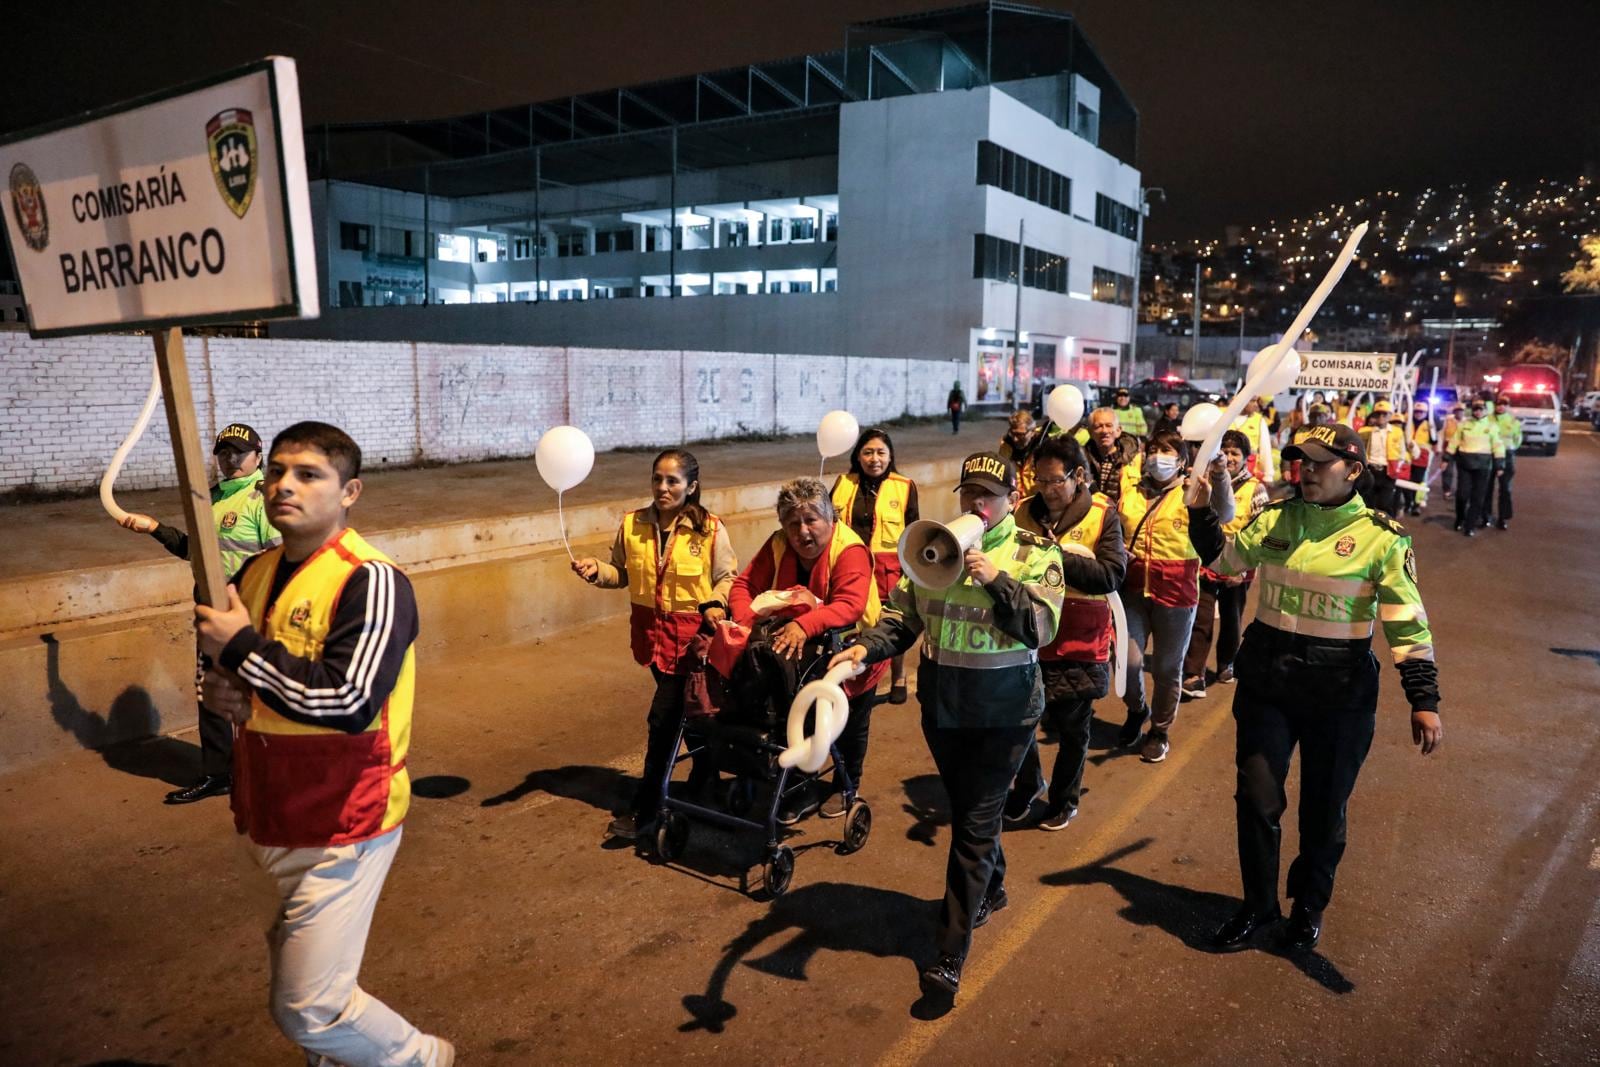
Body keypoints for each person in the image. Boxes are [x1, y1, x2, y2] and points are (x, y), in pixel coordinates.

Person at [193, 421, 453, 1066]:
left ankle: (421, 1060)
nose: (285, 484)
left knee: (308, 1007)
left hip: (343, 824)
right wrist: (220, 692)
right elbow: (235, 679)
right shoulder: (251, 573)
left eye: (309, 474)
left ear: (349, 492)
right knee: (308, 984)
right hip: (263, 814)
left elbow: (347, 700)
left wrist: (241, 652)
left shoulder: (375, 581)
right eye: (278, 471)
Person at [1187, 421, 1441, 953]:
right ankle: (1257, 908)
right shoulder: (1275, 519)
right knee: (1256, 801)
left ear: (1353, 470)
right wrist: (1199, 512)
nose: (1305, 472)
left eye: (1319, 463)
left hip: (1339, 694)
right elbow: (1222, 561)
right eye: (1300, 461)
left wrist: (1423, 699)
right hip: (1267, 684)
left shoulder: (1383, 539)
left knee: (1323, 811)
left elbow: (1406, 622)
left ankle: (1307, 906)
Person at [831, 452, 1063, 1000]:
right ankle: (994, 887)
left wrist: (997, 580)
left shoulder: (1034, 552)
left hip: (1005, 715)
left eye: (988, 495)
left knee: (974, 827)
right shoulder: (932, 548)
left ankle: (948, 955)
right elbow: (902, 617)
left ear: (1011, 498)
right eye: (968, 494)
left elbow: (1039, 630)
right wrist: (864, 649)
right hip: (944, 711)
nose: (977, 504)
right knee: (968, 814)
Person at [573, 449, 737, 839]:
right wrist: (598, 571)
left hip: (693, 643)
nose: (662, 488)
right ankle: (707, 774)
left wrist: (716, 602)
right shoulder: (631, 524)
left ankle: (646, 809)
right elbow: (622, 574)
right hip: (651, 640)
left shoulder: (710, 529)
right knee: (690, 714)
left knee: (663, 721)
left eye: (673, 481)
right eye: (657, 480)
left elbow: (728, 577)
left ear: (691, 486)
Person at [120, 422, 280, 804]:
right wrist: (156, 529)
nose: (230, 459)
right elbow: (195, 550)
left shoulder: (263, 499)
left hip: (251, 616)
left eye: (239, 452)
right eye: (223, 453)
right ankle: (219, 774)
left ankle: (277, 774)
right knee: (213, 697)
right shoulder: (209, 499)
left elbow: (283, 562)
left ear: (259, 455)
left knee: (264, 698)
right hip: (213, 614)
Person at [731, 478, 887, 822]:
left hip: (857, 648)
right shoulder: (778, 544)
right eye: (792, 522)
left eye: (811, 519)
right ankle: (800, 783)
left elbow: (849, 605)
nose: (802, 531)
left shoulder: (850, 549)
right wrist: (744, 620)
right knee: (796, 717)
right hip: (801, 653)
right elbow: (744, 584)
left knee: (852, 722)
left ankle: (845, 787)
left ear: (830, 518)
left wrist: (805, 624)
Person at [1003, 437, 1125, 831]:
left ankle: (1063, 800)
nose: (1047, 489)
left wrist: (1057, 556)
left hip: (1079, 636)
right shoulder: (1021, 513)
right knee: (1019, 720)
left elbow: (1111, 574)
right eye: (1040, 480)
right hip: (1028, 633)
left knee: (1072, 727)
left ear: (1078, 476)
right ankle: (1027, 784)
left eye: (1055, 481)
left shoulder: (1103, 514)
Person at [1115, 428, 1201, 764]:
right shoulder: (1130, 490)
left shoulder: (1193, 495)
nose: (1157, 456)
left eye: (1167, 451)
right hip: (1133, 591)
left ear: (1181, 461)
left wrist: (1219, 478)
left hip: (1176, 594)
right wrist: (1118, 548)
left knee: (1166, 669)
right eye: (1153, 450)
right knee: (1128, 661)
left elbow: (1222, 517)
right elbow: (1114, 528)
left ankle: (1160, 730)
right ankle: (1137, 710)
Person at [831, 429, 920, 704]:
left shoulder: (904, 486)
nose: (874, 458)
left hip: (888, 568)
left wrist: (911, 570)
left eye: (881, 452)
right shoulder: (843, 482)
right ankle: (860, 678)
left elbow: (915, 531)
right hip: (851, 565)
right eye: (868, 452)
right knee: (852, 620)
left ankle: (898, 676)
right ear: (858, 456)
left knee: (890, 620)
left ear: (890, 455)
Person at [1181, 430, 1268, 700]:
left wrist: (1243, 570)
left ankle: (1226, 664)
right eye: (1226, 452)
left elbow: (1261, 531)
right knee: (1201, 619)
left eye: (1235, 454)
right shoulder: (1205, 480)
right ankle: (1194, 674)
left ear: (1246, 459)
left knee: (1232, 619)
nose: (1229, 458)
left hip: (1237, 566)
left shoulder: (1256, 489)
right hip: (1206, 562)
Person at [1446, 399, 1503, 537]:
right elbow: (1454, 442)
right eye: (1475, 409)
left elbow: (1497, 446)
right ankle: (1460, 518)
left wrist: (1499, 465)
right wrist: (1446, 458)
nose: (1478, 412)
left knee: (1477, 497)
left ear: (1485, 410)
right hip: (1465, 463)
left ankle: (1470, 525)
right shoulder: (1464, 424)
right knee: (1462, 495)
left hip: (1483, 465)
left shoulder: (1492, 426)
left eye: (1480, 409)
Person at [1084, 407, 1142, 503]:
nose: (1104, 431)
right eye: (1098, 426)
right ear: (1090, 432)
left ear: (1118, 430)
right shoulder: (1082, 459)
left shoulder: (1136, 458)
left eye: (1109, 425)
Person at [1357, 400, 1404, 516]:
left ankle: (1390, 529)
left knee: (1385, 504)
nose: (1381, 417)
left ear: (1390, 415)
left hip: (1388, 471)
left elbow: (1402, 452)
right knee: (1368, 504)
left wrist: (1398, 467)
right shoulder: (1365, 431)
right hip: (1370, 470)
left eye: (1384, 414)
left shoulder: (1397, 432)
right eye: (1378, 414)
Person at [1489, 394, 1523, 530]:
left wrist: (1509, 449)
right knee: (1486, 488)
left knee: (1505, 489)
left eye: (1504, 404)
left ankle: (1502, 518)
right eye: (1498, 404)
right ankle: (1485, 515)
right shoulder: (1488, 419)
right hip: (1489, 455)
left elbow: (1517, 440)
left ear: (1508, 406)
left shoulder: (1513, 422)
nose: (1501, 406)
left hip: (1507, 456)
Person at [1400, 400, 1438, 516]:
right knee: (1405, 480)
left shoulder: (1429, 425)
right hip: (1407, 455)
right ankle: (1408, 503)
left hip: (1422, 457)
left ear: (1426, 412)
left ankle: (1416, 505)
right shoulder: (1407, 423)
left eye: (1421, 412)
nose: (1418, 413)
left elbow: (1434, 441)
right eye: (1416, 411)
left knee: (1418, 482)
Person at [1439, 403, 1465, 500]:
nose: (1459, 412)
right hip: (1449, 448)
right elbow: (1441, 434)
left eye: (1461, 411)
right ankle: (1447, 490)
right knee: (1447, 471)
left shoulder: (1467, 422)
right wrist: (1439, 447)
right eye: (1457, 410)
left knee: (1462, 472)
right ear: (1454, 412)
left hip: (1462, 449)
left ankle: (1461, 491)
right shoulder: (1448, 421)